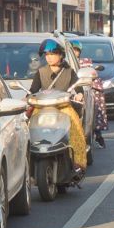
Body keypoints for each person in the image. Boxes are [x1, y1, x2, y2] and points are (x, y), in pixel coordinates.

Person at [31, 38, 90, 176]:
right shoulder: (40, 72)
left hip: (64, 107)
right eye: (47, 55)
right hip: (43, 108)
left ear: (60, 55)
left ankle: (77, 163)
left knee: (76, 130)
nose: (49, 58)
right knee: (27, 130)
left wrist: (79, 95)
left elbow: (79, 88)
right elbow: (33, 91)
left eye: (52, 54)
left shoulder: (69, 72)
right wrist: (27, 98)